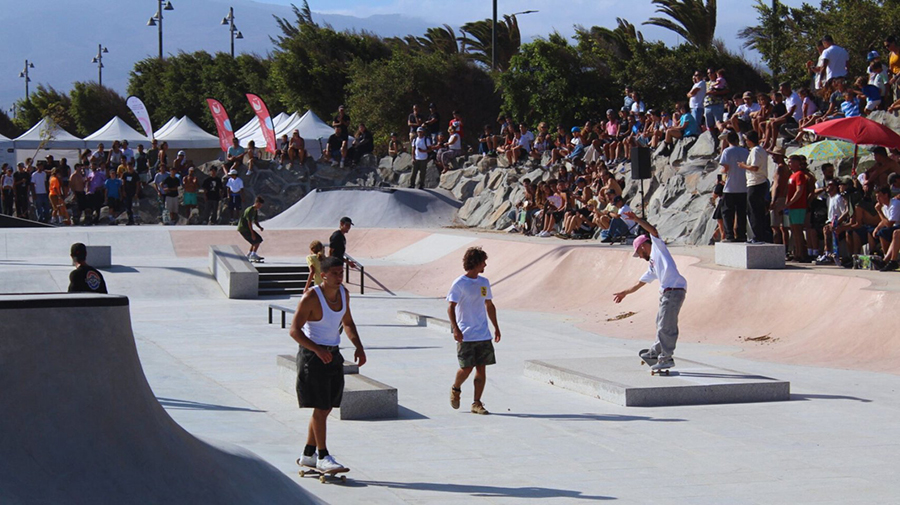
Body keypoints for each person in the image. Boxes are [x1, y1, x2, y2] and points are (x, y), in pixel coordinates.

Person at [289, 255, 366, 473]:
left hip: (333, 354)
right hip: (312, 356)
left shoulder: (344, 294)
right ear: (323, 275)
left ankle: (307, 454)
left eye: (341, 273)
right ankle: (323, 456)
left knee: (327, 406)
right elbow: (294, 330)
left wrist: (358, 346)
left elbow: (348, 322)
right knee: (321, 407)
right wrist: (317, 349)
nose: (340, 277)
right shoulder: (311, 298)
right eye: (335, 273)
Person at [612, 213, 687, 372]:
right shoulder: (652, 264)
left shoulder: (658, 248)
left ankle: (666, 358)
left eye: (638, 253)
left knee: (666, 326)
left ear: (643, 247)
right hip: (667, 293)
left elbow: (652, 231)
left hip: (674, 290)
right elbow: (640, 283)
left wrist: (637, 220)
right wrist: (624, 293)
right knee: (660, 322)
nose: (639, 256)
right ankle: (655, 352)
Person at [447, 247, 501, 415]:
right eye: (483, 261)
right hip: (466, 333)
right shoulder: (459, 283)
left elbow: (489, 305)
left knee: (481, 368)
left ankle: (476, 403)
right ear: (476, 262)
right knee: (466, 368)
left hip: (483, 333)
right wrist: (455, 328)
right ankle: (456, 388)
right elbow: (451, 306)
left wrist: (496, 327)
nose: (485, 264)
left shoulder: (484, 282)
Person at [737, 131, 772, 243]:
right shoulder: (759, 150)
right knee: (756, 211)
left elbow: (755, 167)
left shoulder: (756, 151)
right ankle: (759, 235)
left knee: (754, 211)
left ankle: (758, 236)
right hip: (758, 183)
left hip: (756, 183)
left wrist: (743, 166)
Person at [719, 131, 749, 242]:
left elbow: (725, 168)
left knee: (727, 212)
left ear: (727, 140)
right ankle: (741, 234)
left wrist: (721, 173)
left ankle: (729, 235)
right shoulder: (745, 151)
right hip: (743, 186)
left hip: (730, 186)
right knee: (741, 212)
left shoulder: (727, 151)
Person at [786, 155, 811, 262]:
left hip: (798, 206)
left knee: (798, 230)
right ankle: (797, 253)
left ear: (797, 163)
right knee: (794, 231)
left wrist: (791, 202)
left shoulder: (800, 175)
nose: (789, 164)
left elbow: (799, 190)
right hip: (792, 207)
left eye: (791, 162)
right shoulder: (792, 175)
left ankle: (801, 254)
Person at [238, 196, 265, 262]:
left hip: (246, 228)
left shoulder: (255, 211)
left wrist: (260, 227)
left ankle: (250, 254)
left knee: (254, 241)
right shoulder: (250, 210)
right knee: (257, 240)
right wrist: (252, 233)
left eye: (261, 205)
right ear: (256, 203)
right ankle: (253, 254)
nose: (260, 206)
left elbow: (255, 221)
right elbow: (249, 222)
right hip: (243, 228)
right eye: (259, 205)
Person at [122, 161, 141, 226]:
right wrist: (123, 191)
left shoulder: (135, 174)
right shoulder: (125, 174)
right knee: (128, 207)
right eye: (128, 166)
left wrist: (136, 193)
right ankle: (130, 220)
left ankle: (136, 220)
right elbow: (123, 183)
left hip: (133, 192)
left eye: (131, 166)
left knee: (135, 206)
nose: (129, 167)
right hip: (127, 192)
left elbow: (138, 184)